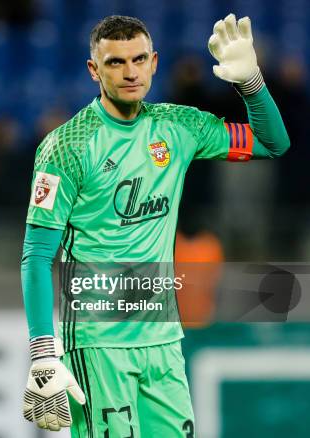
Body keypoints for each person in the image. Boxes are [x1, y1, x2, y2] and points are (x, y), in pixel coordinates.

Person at [20, 14, 289, 437]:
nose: (130, 72)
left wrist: (251, 82)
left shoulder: (179, 126)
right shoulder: (66, 146)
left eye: (139, 59)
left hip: (162, 340)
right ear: (94, 70)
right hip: (97, 342)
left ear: (154, 62)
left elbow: (274, 143)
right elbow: (36, 255)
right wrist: (42, 351)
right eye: (115, 63)